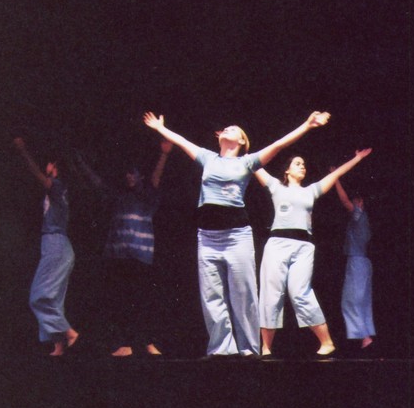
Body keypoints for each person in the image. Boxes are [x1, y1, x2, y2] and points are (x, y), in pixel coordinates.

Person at [143, 110, 331, 357]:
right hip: (208, 236)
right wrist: (160, 128)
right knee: (212, 296)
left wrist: (307, 125)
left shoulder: (247, 162)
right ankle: (221, 349)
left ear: (242, 141)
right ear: (219, 137)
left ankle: (248, 349)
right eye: (226, 128)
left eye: (234, 129)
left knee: (243, 294)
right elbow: (181, 141)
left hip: (236, 237)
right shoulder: (208, 158)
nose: (228, 129)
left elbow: (279, 144)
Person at [254, 148, 373, 357]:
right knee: (271, 293)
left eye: (304, 164)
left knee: (301, 293)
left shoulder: (311, 190)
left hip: (304, 246)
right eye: (297, 163)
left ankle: (327, 342)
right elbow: (252, 164)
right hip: (277, 244)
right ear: (287, 171)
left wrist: (357, 158)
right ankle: (266, 348)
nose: (303, 166)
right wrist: (238, 149)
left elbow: (336, 174)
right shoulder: (275, 186)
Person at [74, 139, 173, 356]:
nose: (129, 177)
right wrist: (81, 163)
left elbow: (155, 179)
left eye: (133, 173)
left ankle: (147, 343)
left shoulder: (147, 197)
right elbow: (96, 182)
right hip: (118, 256)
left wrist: (164, 155)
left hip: (140, 255)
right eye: (127, 174)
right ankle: (125, 345)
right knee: (121, 301)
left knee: (141, 300)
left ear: (140, 177)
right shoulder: (118, 197)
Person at [12, 137, 78, 356]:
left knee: (38, 296)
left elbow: (39, 176)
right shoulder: (60, 190)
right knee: (54, 298)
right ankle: (58, 346)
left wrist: (23, 151)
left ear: (55, 168)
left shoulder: (57, 186)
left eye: (50, 164)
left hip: (56, 244)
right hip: (58, 246)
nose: (46, 166)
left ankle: (68, 333)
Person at [333, 177, 375, 352]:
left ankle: (365, 336)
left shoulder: (359, 215)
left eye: (356, 200)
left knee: (350, 301)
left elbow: (344, 201)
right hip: (362, 262)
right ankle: (366, 336)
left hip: (357, 262)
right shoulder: (363, 219)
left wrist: (335, 179)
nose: (353, 203)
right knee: (361, 301)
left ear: (360, 202)